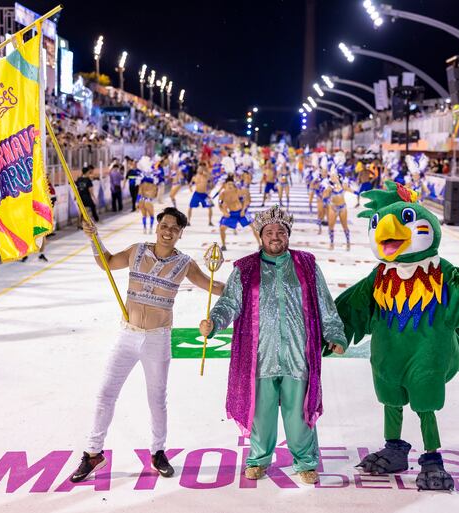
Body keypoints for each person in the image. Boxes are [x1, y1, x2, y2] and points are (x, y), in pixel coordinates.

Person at [69, 207, 225, 483]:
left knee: (157, 400)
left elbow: (213, 287)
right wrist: (94, 237)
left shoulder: (185, 264)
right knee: (106, 394)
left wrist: (248, 280)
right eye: (164, 226)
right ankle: (93, 453)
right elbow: (105, 261)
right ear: (157, 226)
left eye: (174, 229)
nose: (168, 232)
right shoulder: (136, 251)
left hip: (157, 338)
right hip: (127, 335)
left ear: (180, 234)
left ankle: (158, 452)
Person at [199, 205, 347, 485]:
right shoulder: (244, 269)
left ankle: (305, 461)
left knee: (299, 413)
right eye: (269, 232)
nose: (275, 236)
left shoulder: (306, 264)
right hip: (259, 354)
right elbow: (229, 303)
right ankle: (258, 459)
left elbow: (325, 305)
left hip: (297, 353)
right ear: (260, 236)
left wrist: (335, 334)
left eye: (281, 231)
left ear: (288, 235)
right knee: (261, 413)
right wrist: (214, 322)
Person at [218, 176, 259, 251]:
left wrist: (243, 210)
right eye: (228, 184)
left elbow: (245, 201)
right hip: (232, 214)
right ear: (225, 185)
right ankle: (223, 245)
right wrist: (224, 212)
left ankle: (260, 244)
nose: (230, 186)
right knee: (222, 228)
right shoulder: (222, 194)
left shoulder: (237, 191)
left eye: (231, 184)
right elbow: (220, 204)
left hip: (242, 212)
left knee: (254, 226)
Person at [322, 171, 351, 251]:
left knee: (344, 226)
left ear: (338, 176)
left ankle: (348, 242)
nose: (332, 178)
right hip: (333, 207)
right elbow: (324, 196)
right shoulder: (329, 186)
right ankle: (331, 243)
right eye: (331, 176)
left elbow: (350, 190)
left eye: (334, 176)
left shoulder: (343, 184)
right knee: (331, 226)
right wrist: (326, 191)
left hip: (343, 207)